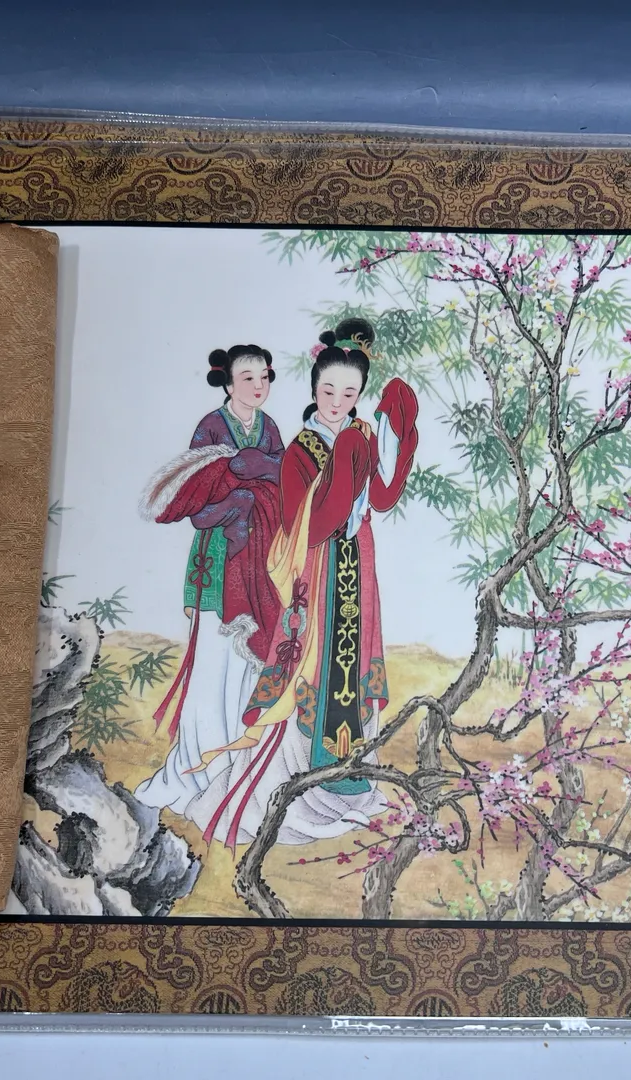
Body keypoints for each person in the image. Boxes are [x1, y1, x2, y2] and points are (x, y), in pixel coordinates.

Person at [190, 317, 420, 850]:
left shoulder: (361, 436)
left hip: (357, 564)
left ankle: (352, 771)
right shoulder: (301, 449)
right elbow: (305, 525)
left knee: (355, 660)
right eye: (328, 391)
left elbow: (381, 497)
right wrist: (346, 462)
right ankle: (305, 773)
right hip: (317, 569)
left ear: (359, 395)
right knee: (315, 665)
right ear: (314, 390)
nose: (337, 402)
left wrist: (400, 433)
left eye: (349, 394)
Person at [134, 344, 286, 823]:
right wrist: (242, 501)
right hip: (218, 559)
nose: (257, 386)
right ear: (228, 382)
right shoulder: (211, 427)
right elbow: (194, 504)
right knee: (212, 668)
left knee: (249, 666)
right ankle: (197, 769)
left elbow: (287, 485)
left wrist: (263, 481)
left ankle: (239, 766)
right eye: (247, 378)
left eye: (263, 377)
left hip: (261, 561)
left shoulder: (270, 428)